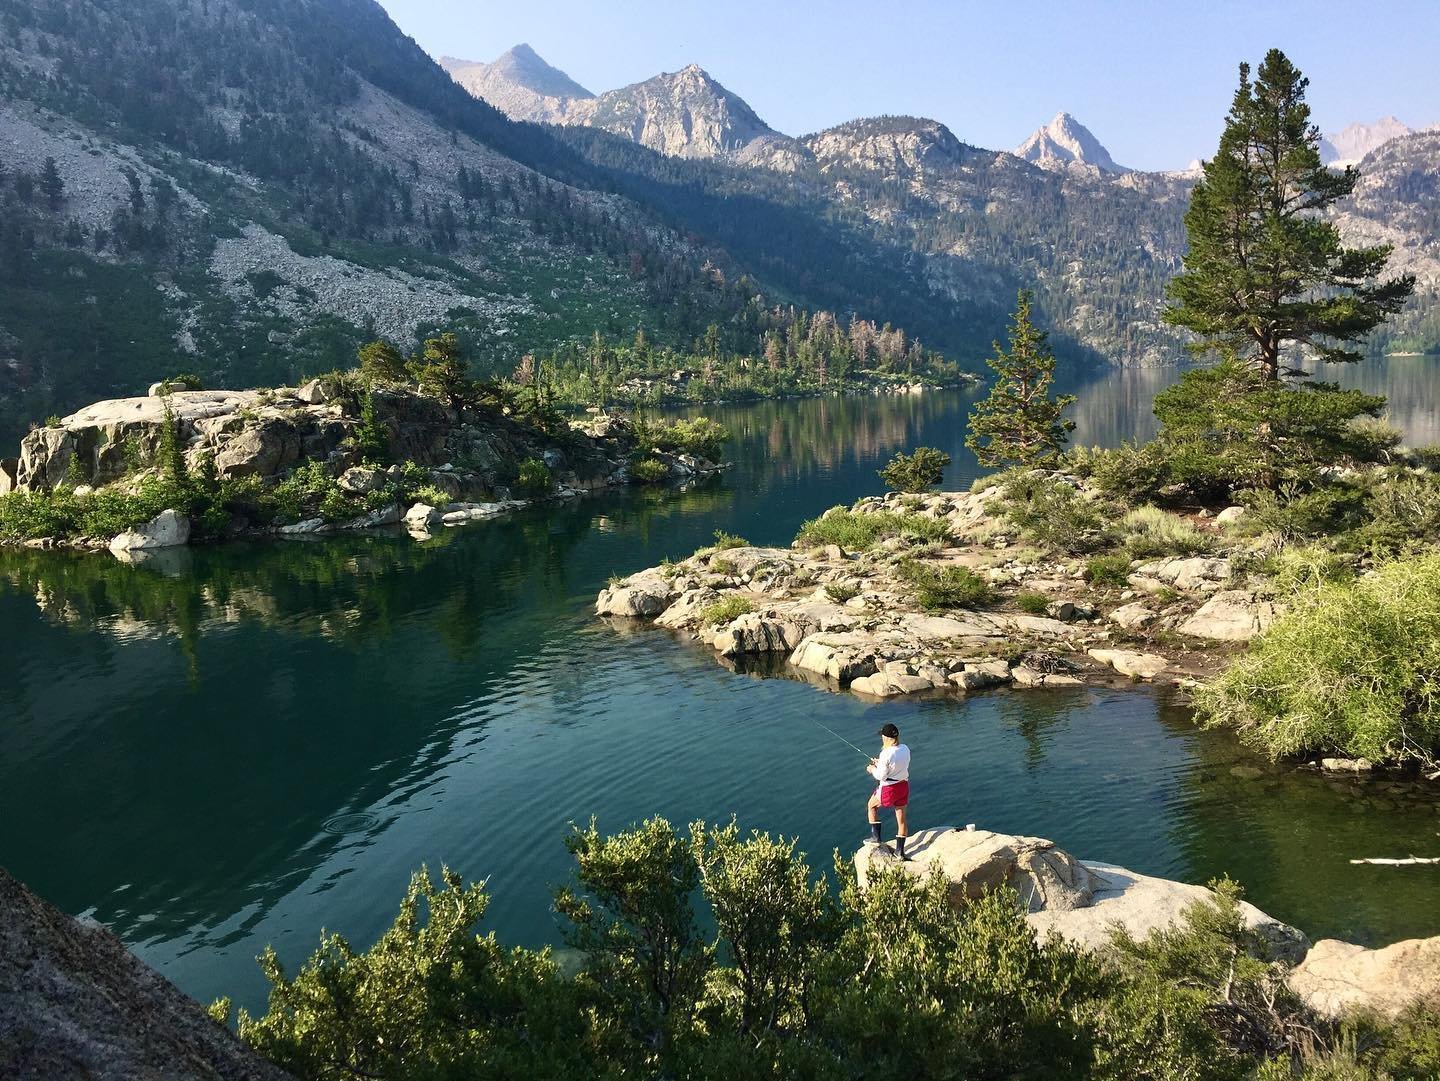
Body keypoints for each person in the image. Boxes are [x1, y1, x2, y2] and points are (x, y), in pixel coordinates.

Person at [866, 722, 911, 859]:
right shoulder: (905, 748)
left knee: (871, 806)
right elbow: (897, 764)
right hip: (903, 787)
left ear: (886, 738)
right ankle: (900, 852)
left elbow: (881, 776)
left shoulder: (886, 753)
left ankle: (876, 838)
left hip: (889, 789)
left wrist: (872, 769)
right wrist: (880, 763)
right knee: (901, 820)